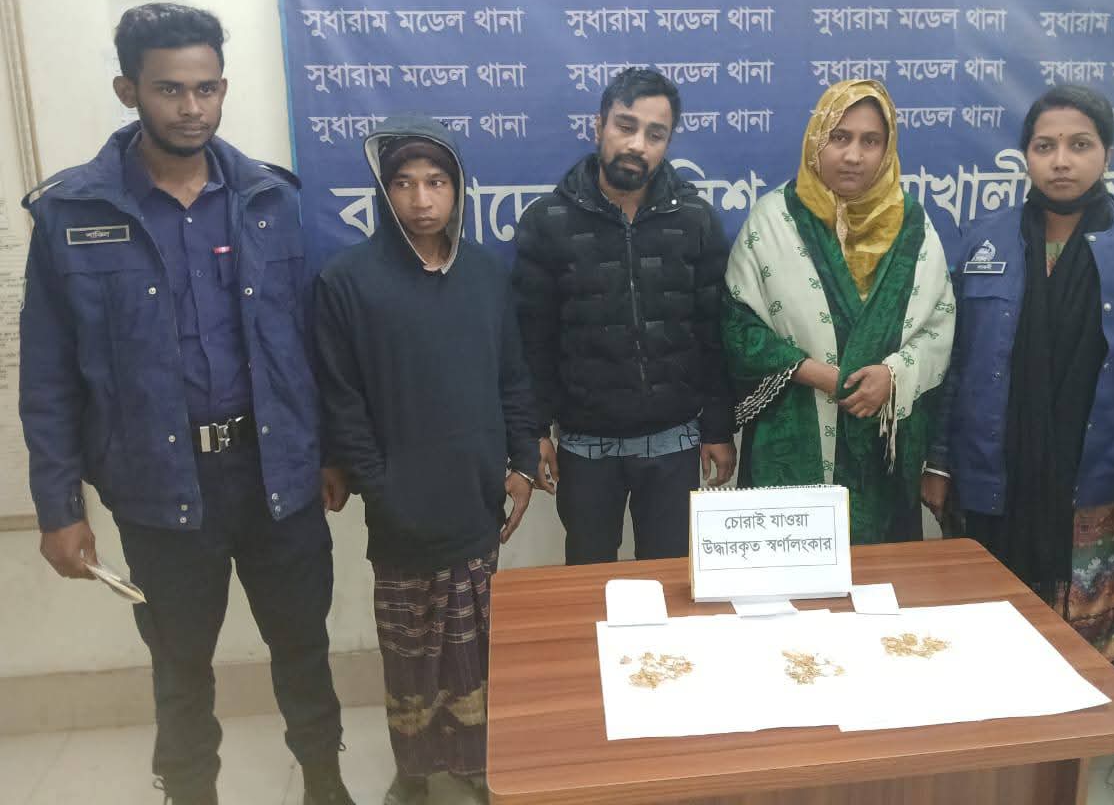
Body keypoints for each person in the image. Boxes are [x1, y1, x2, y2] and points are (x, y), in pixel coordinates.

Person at [18, 3, 352, 805]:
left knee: (303, 648)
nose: (192, 107)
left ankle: (324, 782)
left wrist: (332, 452)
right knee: (179, 666)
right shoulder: (73, 215)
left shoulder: (271, 198)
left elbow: (314, 342)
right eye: (170, 89)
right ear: (128, 90)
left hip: (275, 474)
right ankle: (191, 791)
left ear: (223, 87)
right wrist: (58, 508)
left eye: (206, 88)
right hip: (161, 486)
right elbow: (49, 377)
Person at [313, 115, 541, 805]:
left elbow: (513, 378)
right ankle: (414, 771)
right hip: (400, 508)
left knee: (474, 648)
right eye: (405, 183)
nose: (421, 199)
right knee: (411, 653)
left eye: (436, 182)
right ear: (384, 193)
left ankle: (475, 764)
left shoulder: (485, 274)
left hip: (474, 498)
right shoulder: (347, 282)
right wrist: (380, 489)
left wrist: (521, 464)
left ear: (457, 189)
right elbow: (342, 402)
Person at [922, 83, 1114, 657]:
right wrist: (938, 461)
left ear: (1107, 155)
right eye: (1045, 146)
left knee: (1077, 656)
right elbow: (955, 360)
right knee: (979, 640)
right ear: (1026, 155)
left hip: (1094, 480)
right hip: (991, 476)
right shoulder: (984, 238)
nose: (1061, 161)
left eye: (1079, 145)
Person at [513, 67, 735, 565]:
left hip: (676, 441)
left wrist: (718, 429)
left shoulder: (695, 220)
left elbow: (714, 334)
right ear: (599, 127)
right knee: (590, 583)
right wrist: (533, 432)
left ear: (668, 142)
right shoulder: (548, 222)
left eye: (655, 134)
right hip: (585, 445)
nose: (637, 144)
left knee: (671, 580)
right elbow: (532, 341)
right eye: (626, 126)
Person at [721, 78, 955, 543]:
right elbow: (738, 325)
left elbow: (939, 324)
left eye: (870, 141)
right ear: (816, 141)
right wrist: (815, 373)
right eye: (840, 137)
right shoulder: (772, 219)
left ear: (887, 149)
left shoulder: (913, 225)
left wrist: (894, 375)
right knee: (790, 570)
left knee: (878, 579)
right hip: (793, 431)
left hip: (881, 441)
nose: (853, 155)